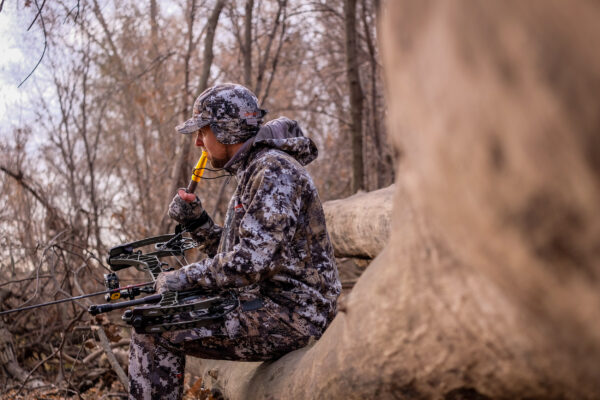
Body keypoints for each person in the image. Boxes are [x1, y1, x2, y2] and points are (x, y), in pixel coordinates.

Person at [128, 83, 341, 399]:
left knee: (153, 327)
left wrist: (180, 278)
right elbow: (239, 256)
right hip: (269, 304)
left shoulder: (274, 169)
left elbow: (253, 262)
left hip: (296, 314)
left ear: (226, 129)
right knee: (151, 313)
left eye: (203, 131)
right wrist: (198, 223)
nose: (199, 141)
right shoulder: (257, 169)